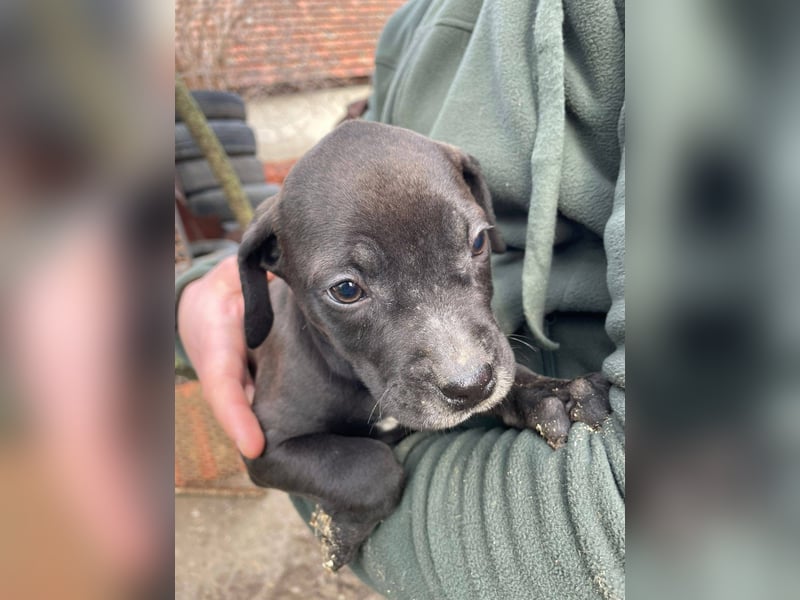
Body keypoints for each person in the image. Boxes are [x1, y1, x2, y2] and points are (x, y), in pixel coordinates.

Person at [176, 0, 625, 597]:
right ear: (270, 269)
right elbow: (271, 451)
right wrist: (368, 483)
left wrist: (523, 390)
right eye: (350, 289)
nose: (462, 364)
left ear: (478, 204)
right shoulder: (404, 32)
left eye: (472, 244)